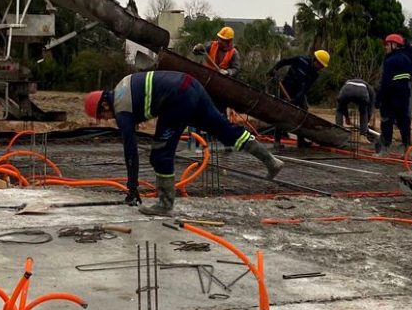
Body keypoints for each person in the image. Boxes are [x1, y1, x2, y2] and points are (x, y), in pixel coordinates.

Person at [84, 71, 284, 216]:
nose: (107, 120)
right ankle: (270, 161)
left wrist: (132, 188)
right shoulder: (123, 84)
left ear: (104, 104)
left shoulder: (121, 109)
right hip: (190, 84)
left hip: (176, 97)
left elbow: (130, 150)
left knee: (160, 154)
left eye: (103, 116)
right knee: (223, 129)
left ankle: (165, 204)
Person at [267, 50, 330, 148]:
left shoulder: (314, 74)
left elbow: (305, 88)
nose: (320, 68)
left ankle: (301, 141)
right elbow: (284, 61)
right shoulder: (301, 60)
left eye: (322, 67)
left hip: (299, 92)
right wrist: (274, 69)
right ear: (316, 60)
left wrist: (297, 99)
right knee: (282, 113)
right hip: (286, 87)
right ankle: (277, 141)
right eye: (321, 65)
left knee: (303, 114)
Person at [375, 34, 412, 156]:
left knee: (386, 121)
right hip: (404, 96)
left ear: (394, 45)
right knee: (404, 122)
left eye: (387, 44)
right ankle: (406, 148)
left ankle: (385, 148)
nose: (385, 47)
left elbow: (386, 82)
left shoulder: (390, 60)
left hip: (390, 97)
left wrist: (379, 98)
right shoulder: (407, 59)